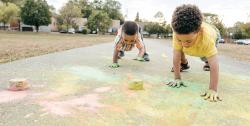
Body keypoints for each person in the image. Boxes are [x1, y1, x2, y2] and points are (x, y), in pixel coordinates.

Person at [167, 4, 222, 102]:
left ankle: (206, 62)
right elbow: (176, 56)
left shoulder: (207, 38)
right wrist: (177, 78)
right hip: (198, 31)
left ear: (199, 31)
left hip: (215, 33)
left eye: (188, 41)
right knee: (180, 49)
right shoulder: (177, 33)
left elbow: (215, 64)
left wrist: (213, 89)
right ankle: (184, 64)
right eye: (180, 40)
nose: (184, 44)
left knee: (205, 56)